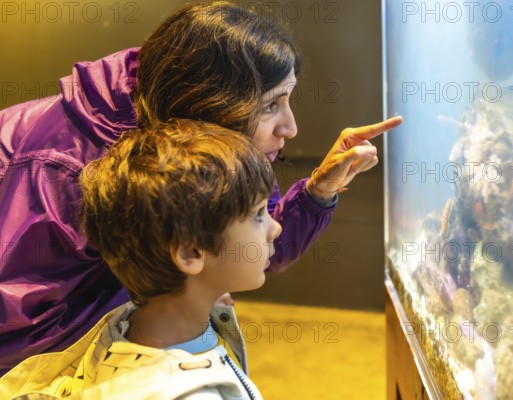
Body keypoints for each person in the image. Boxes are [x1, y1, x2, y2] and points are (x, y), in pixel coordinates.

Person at [0, 1, 402, 375]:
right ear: (212, 102)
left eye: (288, 100)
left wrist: (318, 191)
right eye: (270, 105)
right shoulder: (60, 171)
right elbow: (20, 339)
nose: (290, 127)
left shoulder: (199, 135)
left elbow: (252, 244)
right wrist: (164, 306)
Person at [0, 119, 280, 399]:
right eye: (258, 214)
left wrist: (206, 294)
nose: (274, 228)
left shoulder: (124, 327)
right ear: (190, 252)